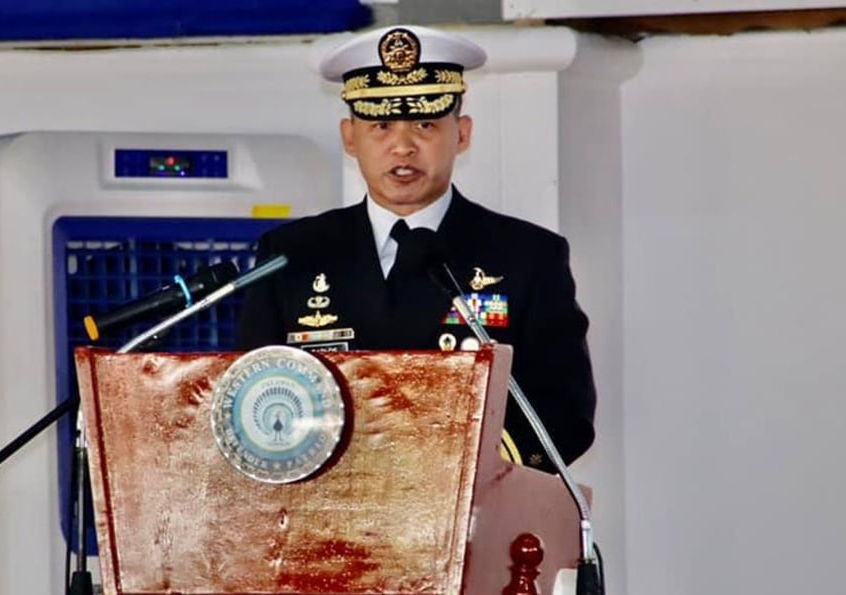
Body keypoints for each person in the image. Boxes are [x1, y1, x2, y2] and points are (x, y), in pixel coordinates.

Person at [236, 24, 595, 470]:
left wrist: (460, 469)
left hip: (468, 515)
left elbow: (566, 410)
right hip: (327, 511)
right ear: (350, 137)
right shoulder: (292, 255)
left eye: (425, 124)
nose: (403, 147)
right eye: (381, 126)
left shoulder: (527, 256)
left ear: (461, 134)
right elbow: (254, 395)